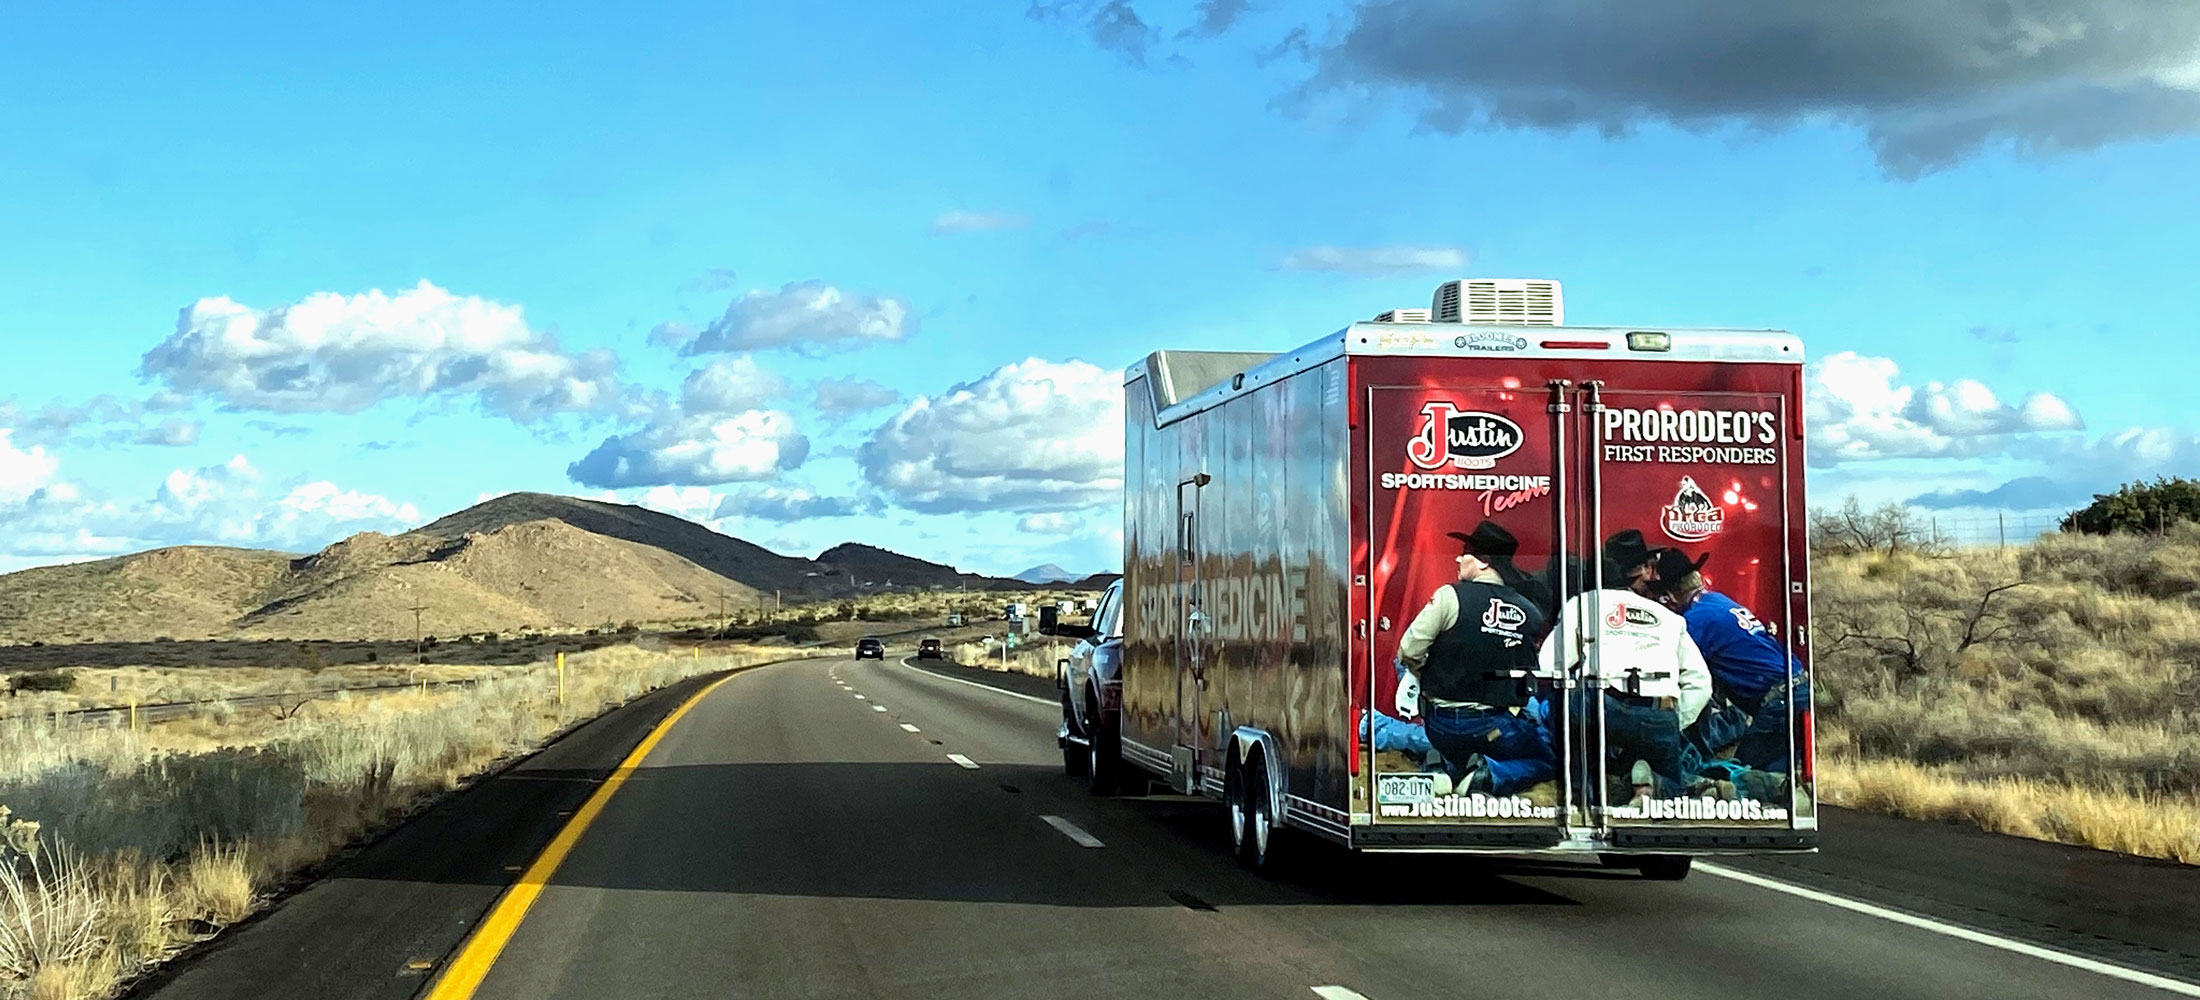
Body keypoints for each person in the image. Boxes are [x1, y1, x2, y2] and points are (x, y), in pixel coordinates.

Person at [1538, 551, 1713, 804]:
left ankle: (1581, 790)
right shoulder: (1669, 617)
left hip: (1599, 705)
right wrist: (1674, 720)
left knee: (1568, 710)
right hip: (1656, 712)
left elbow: (1551, 664)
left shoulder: (1584, 603)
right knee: (1674, 794)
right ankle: (1653, 788)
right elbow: (1701, 683)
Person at [1395, 520, 1553, 798]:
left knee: (1450, 743)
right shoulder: (1529, 612)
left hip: (1440, 725)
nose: (1458, 557)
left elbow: (1408, 651)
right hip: (1494, 728)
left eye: (1465, 551)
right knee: (1547, 758)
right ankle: (1489, 775)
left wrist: (1426, 671)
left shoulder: (1448, 596)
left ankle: (1439, 769)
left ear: (1483, 561)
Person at [1650, 548, 1811, 776]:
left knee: (1743, 776)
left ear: (1671, 594)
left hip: (1778, 699)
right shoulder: (1717, 601)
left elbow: (1680, 672)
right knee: (1777, 776)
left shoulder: (1695, 621)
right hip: (1796, 686)